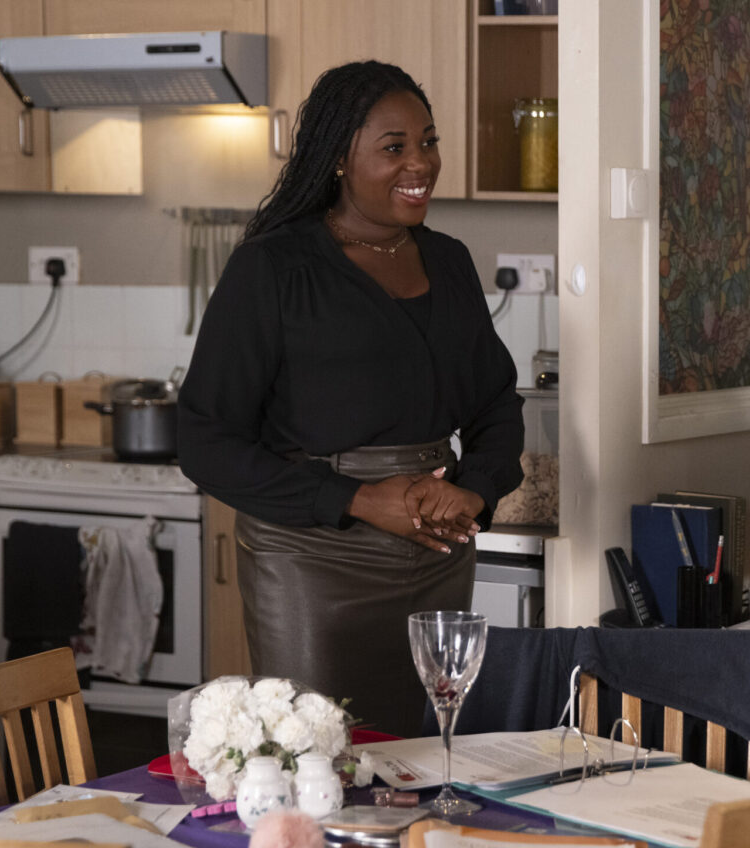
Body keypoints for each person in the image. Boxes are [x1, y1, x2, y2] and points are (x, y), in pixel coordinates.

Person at [178, 61, 524, 737]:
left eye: (428, 141)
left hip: (438, 551)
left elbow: (495, 406)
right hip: (313, 560)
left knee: (424, 759)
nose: (420, 162)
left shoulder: (449, 261)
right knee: (322, 759)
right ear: (338, 159)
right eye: (394, 147)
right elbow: (203, 438)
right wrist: (359, 499)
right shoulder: (273, 268)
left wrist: (475, 489)